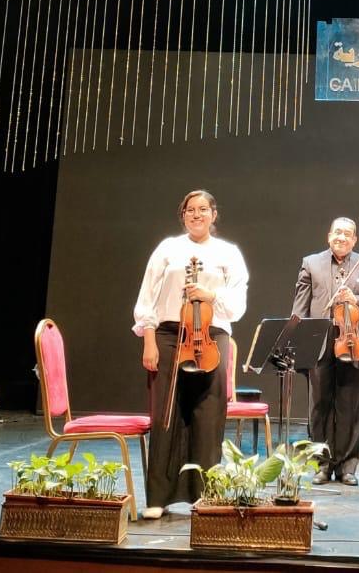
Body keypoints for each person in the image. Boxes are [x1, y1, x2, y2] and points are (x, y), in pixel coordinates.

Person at [132, 189, 249, 519]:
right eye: (190, 210)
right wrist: (149, 340)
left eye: (203, 209)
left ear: (214, 214)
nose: (196, 215)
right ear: (182, 215)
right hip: (169, 335)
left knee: (208, 416)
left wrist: (210, 295)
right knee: (165, 415)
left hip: (211, 335)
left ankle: (205, 495)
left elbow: (237, 306)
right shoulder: (168, 248)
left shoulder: (228, 253)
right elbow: (147, 298)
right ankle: (158, 497)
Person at [292, 217, 359, 486]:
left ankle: (347, 467)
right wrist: (298, 340)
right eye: (337, 232)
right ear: (329, 235)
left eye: (347, 234)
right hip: (321, 339)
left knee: (349, 406)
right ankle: (322, 465)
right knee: (319, 406)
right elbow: (300, 307)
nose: (342, 237)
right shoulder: (311, 263)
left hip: (353, 340)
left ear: (355, 240)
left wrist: (356, 299)